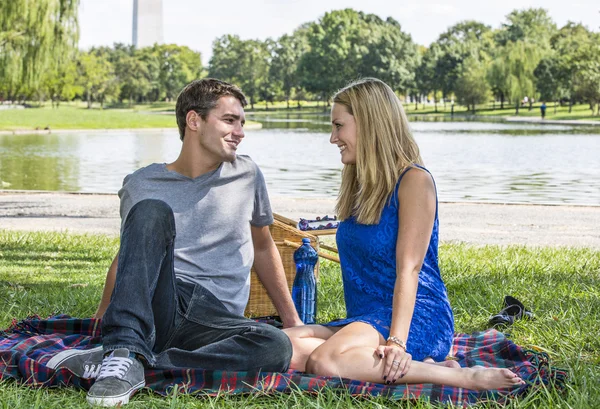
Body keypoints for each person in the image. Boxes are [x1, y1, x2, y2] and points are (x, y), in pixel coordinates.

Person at [49, 78, 302, 407]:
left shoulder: (248, 174)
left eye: (241, 122)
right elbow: (132, 256)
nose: (240, 131)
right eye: (229, 120)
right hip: (163, 300)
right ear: (194, 121)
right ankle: (124, 347)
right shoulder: (142, 183)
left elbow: (264, 247)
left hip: (215, 320)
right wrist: (101, 319)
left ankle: (135, 361)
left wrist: (293, 321)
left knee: (275, 345)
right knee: (151, 211)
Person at [284, 78, 525, 390]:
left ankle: (460, 375)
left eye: (339, 126)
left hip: (415, 317)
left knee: (323, 362)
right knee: (282, 346)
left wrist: (397, 342)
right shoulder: (360, 185)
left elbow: (409, 268)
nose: (333, 138)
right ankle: (416, 365)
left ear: (369, 124)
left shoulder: (414, 181)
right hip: (367, 320)